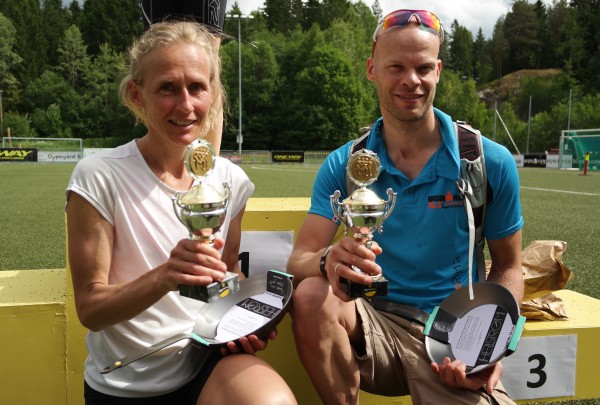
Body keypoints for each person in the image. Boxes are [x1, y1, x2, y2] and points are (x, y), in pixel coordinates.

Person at [287, 9, 524, 405]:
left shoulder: (487, 161)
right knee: (311, 294)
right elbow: (299, 259)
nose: (410, 80)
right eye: (395, 66)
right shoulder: (345, 165)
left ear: (438, 71)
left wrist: (489, 344)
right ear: (372, 70)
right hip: (372, 325)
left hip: (452, 336)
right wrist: (327, 259)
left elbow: (509, 266)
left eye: (423, 68)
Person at [66, 21, 296, 405]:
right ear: (138, 96)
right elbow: (90, 308)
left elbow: (225, 275)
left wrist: (247, 318)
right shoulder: (99, 175)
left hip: (205, 364)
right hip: (126, 382)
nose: (185, 105)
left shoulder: (230, 181)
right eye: (167, 88)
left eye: (197, 87)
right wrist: (165, 277)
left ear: (212, 93)